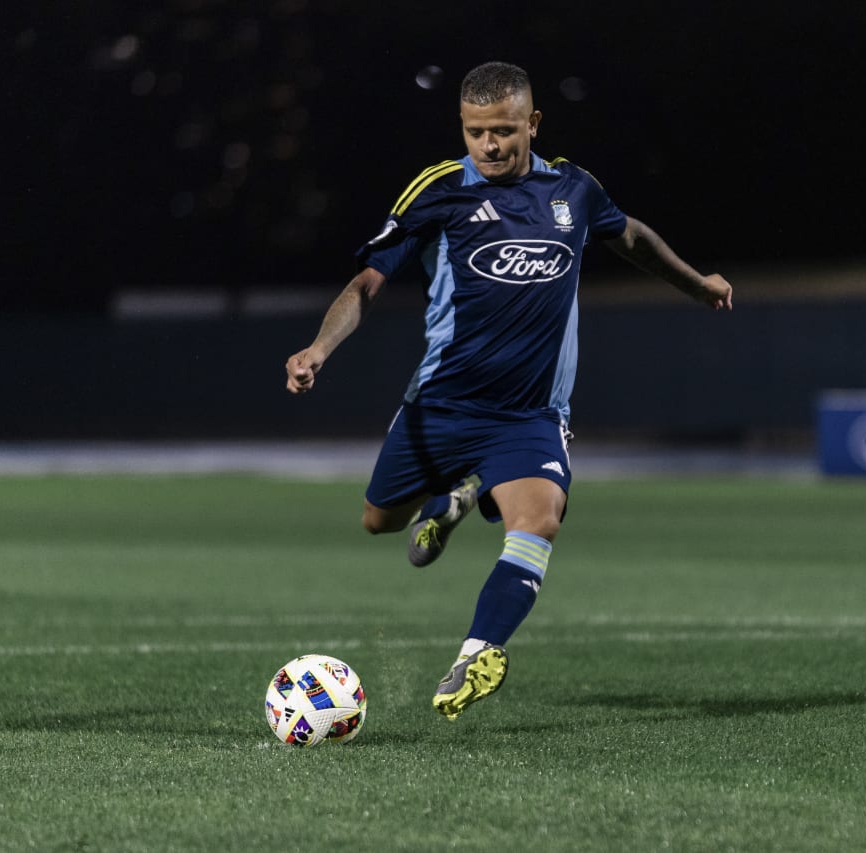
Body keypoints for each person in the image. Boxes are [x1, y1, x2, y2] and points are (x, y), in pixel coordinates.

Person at [285, 61, 732, 721]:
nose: (489, 145)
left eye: (502, 130)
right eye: (475, 132)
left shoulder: (573, 189)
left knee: (540, 518)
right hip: (440, 402)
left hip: (530, 413)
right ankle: (460, 492)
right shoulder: (439, 190)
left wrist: (697, 284)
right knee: (380, 521)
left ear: (533, 123)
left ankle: (477, 651)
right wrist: (319, 347)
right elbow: (367, 283)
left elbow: (631, 236)